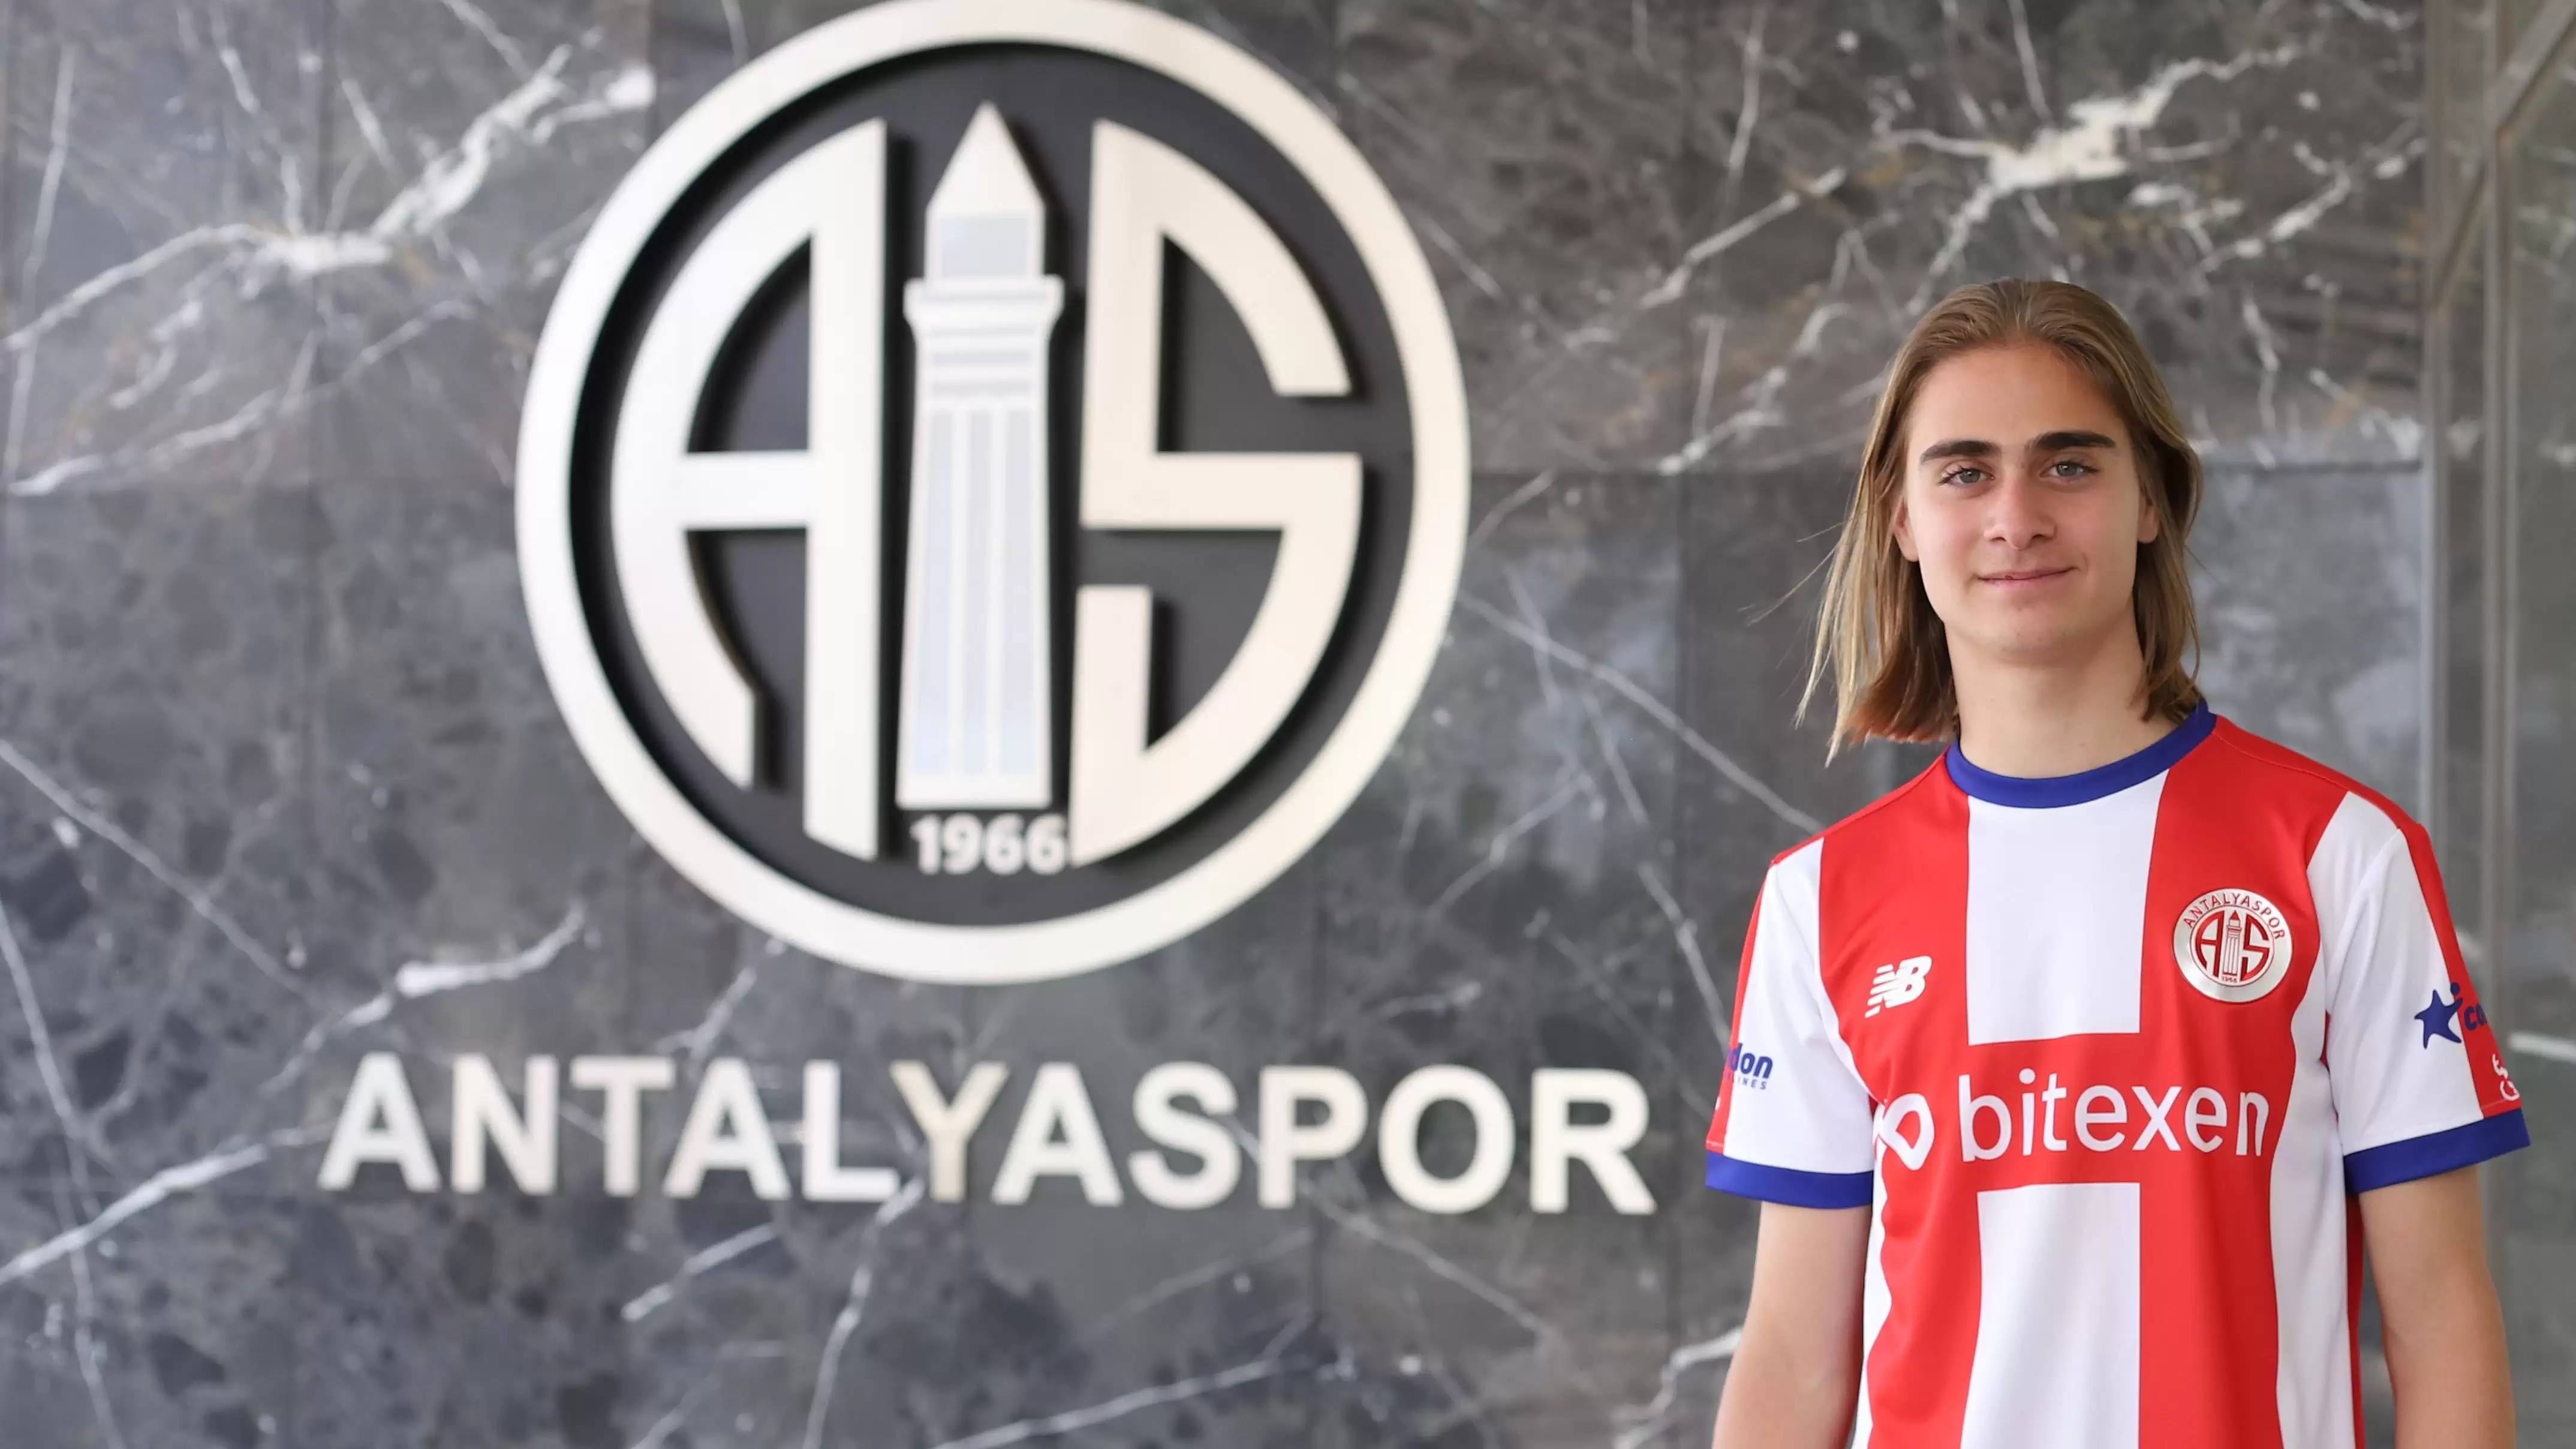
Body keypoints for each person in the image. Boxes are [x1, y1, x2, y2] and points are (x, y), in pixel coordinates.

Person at [1702, 278, 2526, 1448]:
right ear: (1902, 520)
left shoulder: (2337, 852)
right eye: (1965, 471)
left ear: (2152, 497)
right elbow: (1792, 1356)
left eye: (2069, 464)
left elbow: (2441, 1318)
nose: (2017, 516)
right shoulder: (1820, 899)